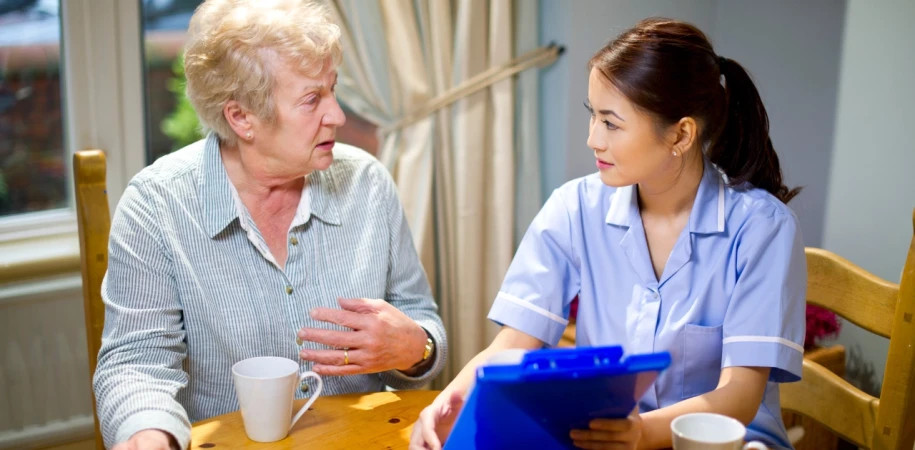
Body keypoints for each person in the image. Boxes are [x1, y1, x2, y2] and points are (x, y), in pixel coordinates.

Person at [411, 17, 805, 450]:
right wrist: (452, 400)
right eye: (592, 116)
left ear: (681, 133)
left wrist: (643, 433)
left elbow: (741, 397)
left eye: (611, 123)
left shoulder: (761, 228)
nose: (592, 139)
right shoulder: (574, 207)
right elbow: (515, 340)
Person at [94, 1, 446, 449]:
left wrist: (416, 348)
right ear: (241, 118)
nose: (336, 115)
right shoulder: (157, 205)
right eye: (311, 99)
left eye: (332, 90)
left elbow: (424, 325)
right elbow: (135, 363)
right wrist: (148, 434)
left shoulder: (368, 184)